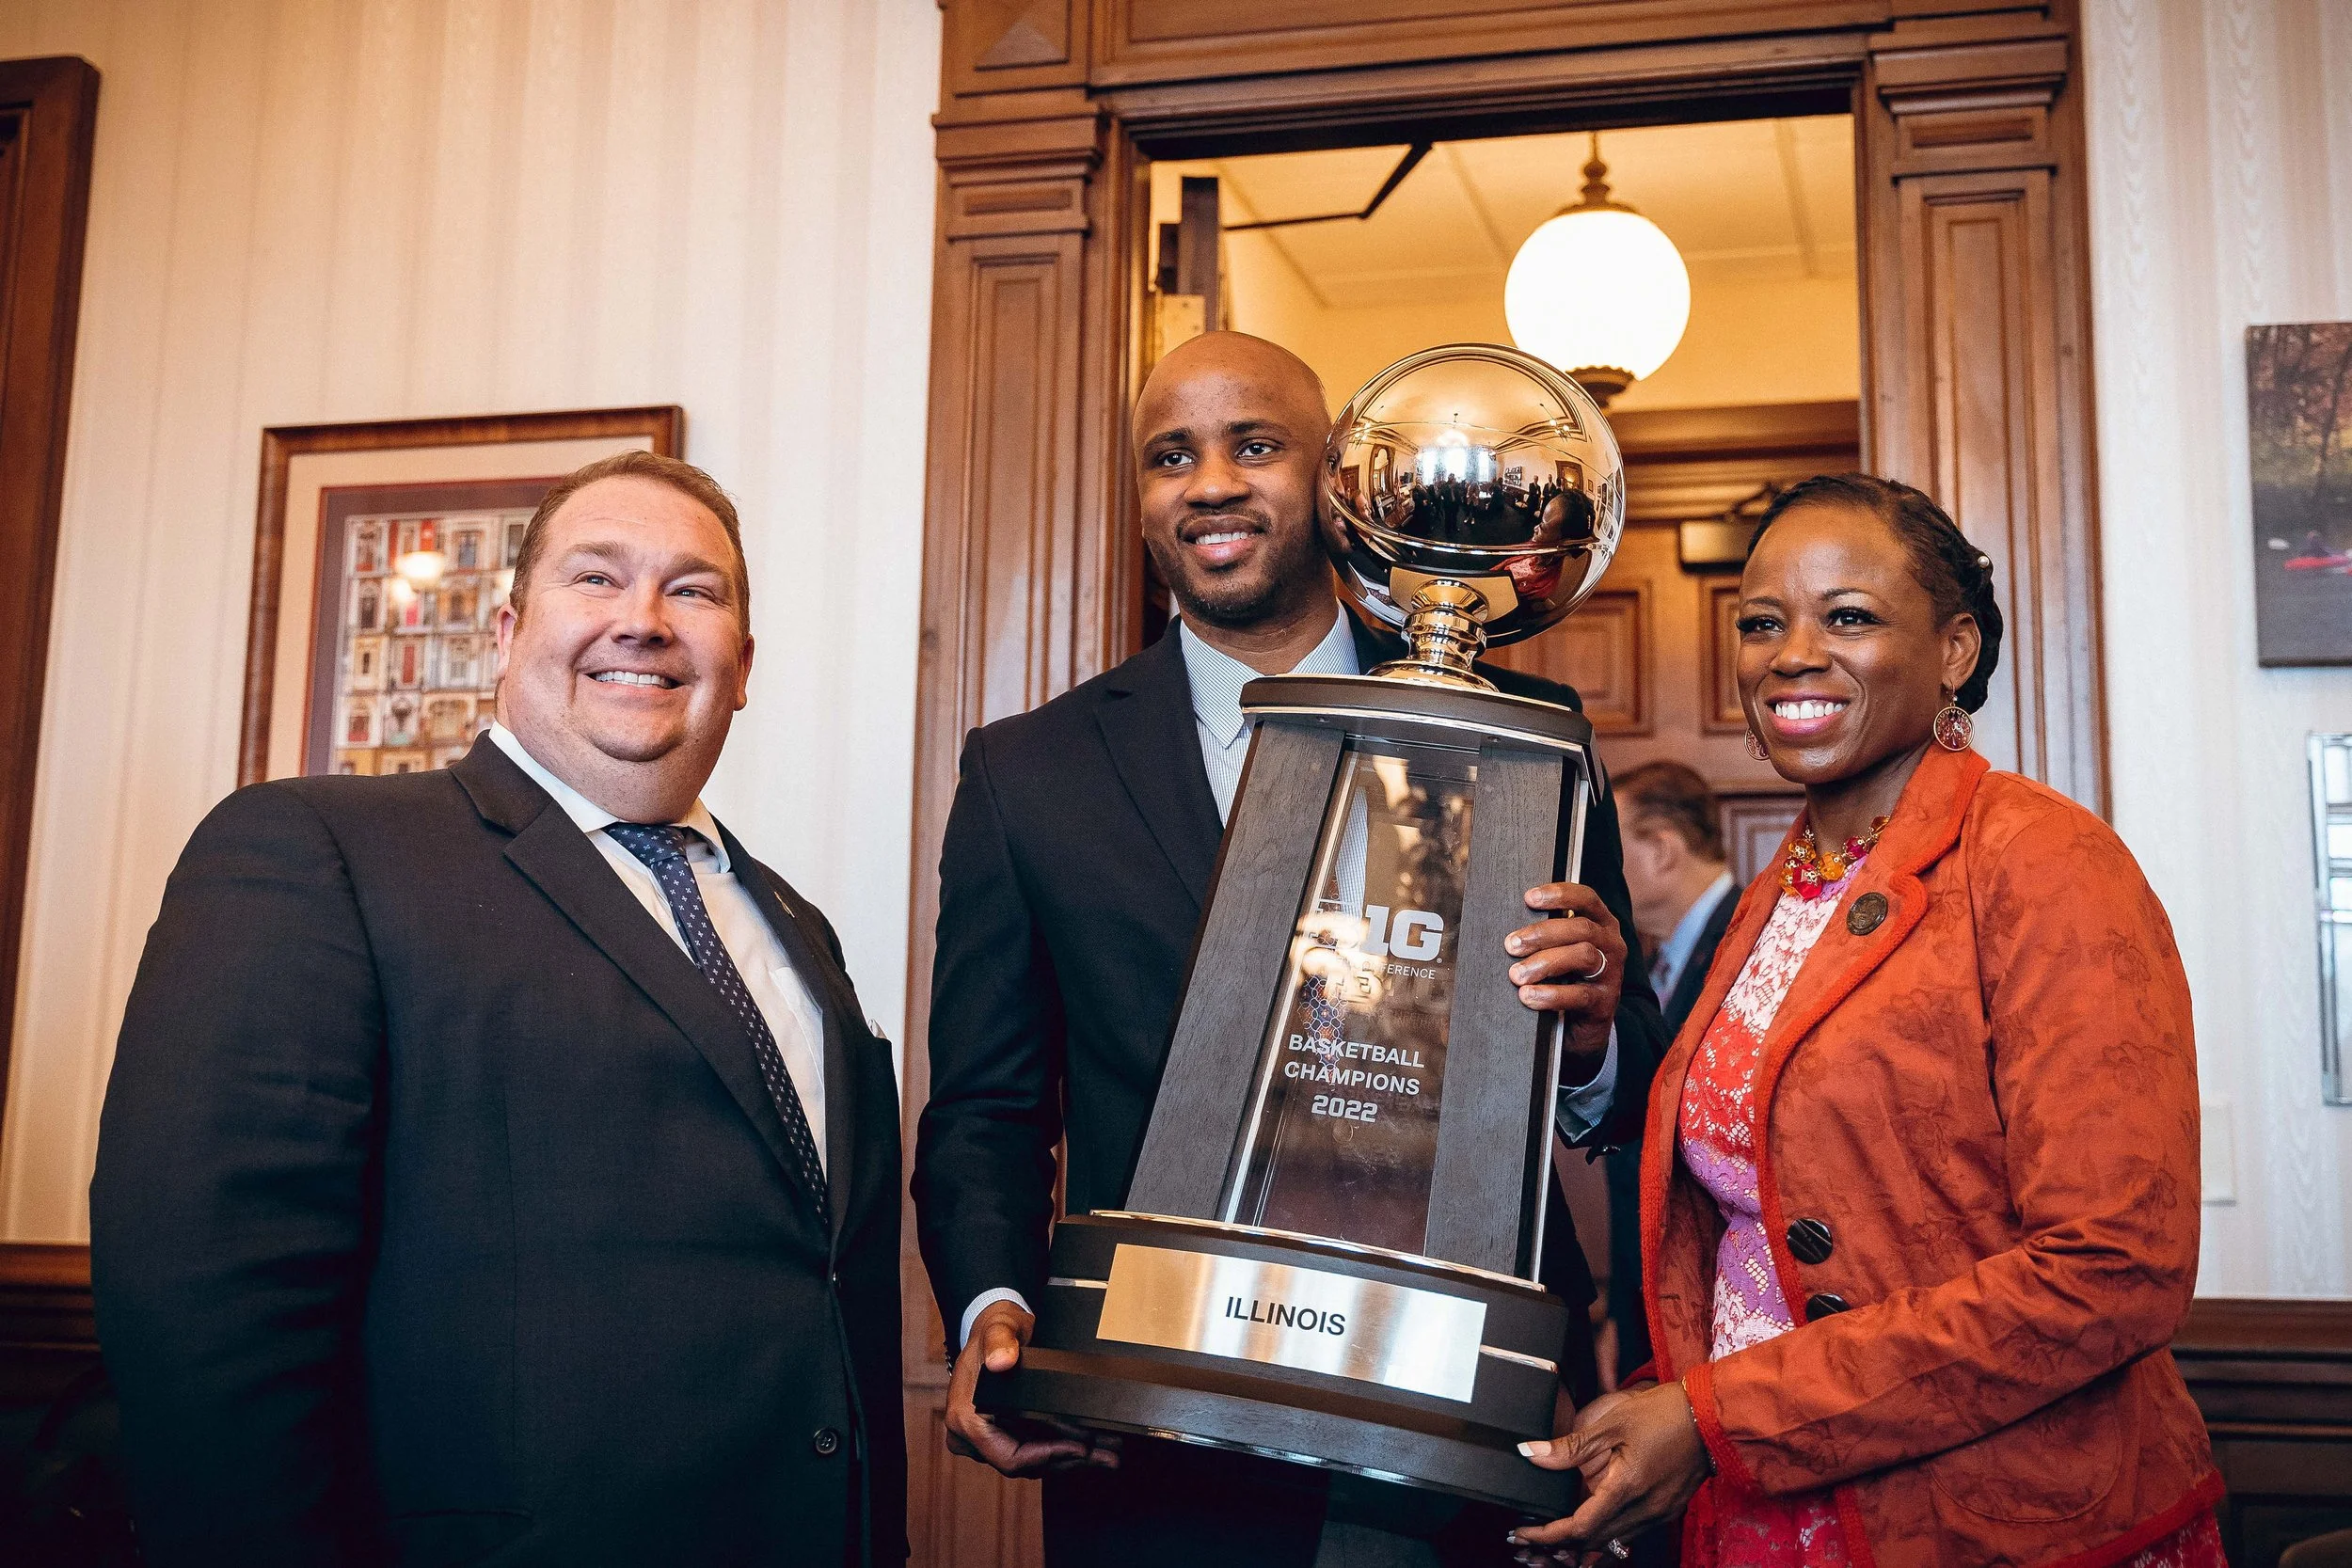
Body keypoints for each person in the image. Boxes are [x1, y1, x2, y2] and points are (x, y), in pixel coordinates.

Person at [914, 331, 1669, 1568]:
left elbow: (1627, 1081)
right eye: (1172, 455)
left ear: (1332, 481)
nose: (1211, 480)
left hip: (1452, 1432)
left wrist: (1590, 1036)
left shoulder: (1527, 735)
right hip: (1154, 1443)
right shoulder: (1026, 774)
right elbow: (986, 1105)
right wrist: (994, 1307)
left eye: (1254, 443)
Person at [91, 451, 906, 1566]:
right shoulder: (319, 852)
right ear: (506, 630)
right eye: (597, 577)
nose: (645, 620)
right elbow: (210, 1311)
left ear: (744, 661)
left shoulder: (797, 927)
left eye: (695, 589)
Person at [1512, 474, 2220, 1566]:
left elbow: (2114, 1265)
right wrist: (1654, 1425)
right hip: (1762, 1510)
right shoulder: (1781, 888)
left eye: (1847, 615)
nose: (1792, 651)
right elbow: (1756, 1238)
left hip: (1997, 1521)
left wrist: (1717, 1417)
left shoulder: (2040, 858)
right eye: (1761, 621)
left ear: (1952, 650)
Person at [1600, 762, 1742, 1386]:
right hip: (1650, 1299)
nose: (1597, 873)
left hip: (1717, 1311)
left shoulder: (1749, 942)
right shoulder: (1655, 966)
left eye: (1609, 849)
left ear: (1659, 849)